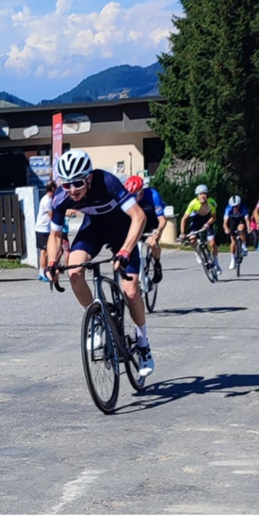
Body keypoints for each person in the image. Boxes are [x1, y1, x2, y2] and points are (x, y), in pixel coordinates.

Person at [46, 149, 155, 377]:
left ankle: (143, 345)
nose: (72, 190)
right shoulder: (61, 196)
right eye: (66, 185)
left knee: (131, 291)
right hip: (93, 229)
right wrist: (52, 262)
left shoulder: (108, 182)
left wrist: (125, 250)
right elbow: (55, 235)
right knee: (74, 272)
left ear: (89, 177)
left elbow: (139, 217)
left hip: (122, 230)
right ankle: (96, 317)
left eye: (77, 183)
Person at [124, 175, 167, 283]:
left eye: (135, 196)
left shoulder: (153, 195)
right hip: (138, 223)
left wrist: (159, 230)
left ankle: (157, 263)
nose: (133, 200)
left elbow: (162, 219)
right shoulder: (127, 198)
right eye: (130, 196)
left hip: (152, 223)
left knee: (152, 243)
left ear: (141, 191)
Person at [179, 184, 221, 274]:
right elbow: (184, 219)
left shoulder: (212, 203)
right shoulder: (193, 204)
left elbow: (214, 217)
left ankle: (216, 263)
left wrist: (207, 224)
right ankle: (197, 252)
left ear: (207, 195)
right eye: (200, 194)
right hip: (196, 221)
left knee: (212, 243)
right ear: (197, 196)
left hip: (207, 221)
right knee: (192, 239)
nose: (202, 196)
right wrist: (182, 233)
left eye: (204, 194)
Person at [35, 181, 56, 281]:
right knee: (45, 252)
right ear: (52, 189)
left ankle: (41, 272)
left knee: (45, 252)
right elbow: (51, 215)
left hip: (44, 229)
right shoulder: (47, 200)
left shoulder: (48, 199)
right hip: (43, 229)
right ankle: (43, 273)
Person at [223, 195, 250, 271]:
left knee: (241, 229)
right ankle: (232, 259)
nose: (235, 208)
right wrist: (226, 228)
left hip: (241, 220)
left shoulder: (243, 208)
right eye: (233, 207)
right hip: (232, 221)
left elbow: (247, 220)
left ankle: (244, 246)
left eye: (237, 206)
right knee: (233, 241)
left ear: (239, 205)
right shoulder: (228, 209)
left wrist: (248, 227)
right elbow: (225, 222)